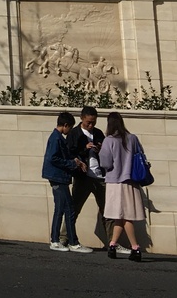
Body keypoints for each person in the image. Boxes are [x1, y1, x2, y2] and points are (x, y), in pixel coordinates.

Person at [63, 106, 114, 248]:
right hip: (83, 177)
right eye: (88, 122)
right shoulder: (74, 134)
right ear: (82, 119)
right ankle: (64, 237)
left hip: (99, 176)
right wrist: (84, 149)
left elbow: (107, 152)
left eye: (93, 122)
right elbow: (70, 154)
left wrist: (99, 149)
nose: (91, 125)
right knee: (74, 208)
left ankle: (112, 242)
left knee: (107, 210)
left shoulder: (98, 133)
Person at [98, 111, 147, 261]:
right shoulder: (132, 138)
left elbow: (105, 163)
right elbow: (141, 156)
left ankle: (135, 248)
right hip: (131, 182)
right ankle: (112, 245)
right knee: (121, 217)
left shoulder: (109, 140)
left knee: (123, 217)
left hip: (115, 182)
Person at [43, 111, 93, 253]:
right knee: (69, 209)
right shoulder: (56, 139)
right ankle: (71, 242)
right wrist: (72, 163)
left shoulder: (56, 138)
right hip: (58, 177)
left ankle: (56, 240)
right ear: (65, 125)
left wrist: (75, 161)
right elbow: (53, 158)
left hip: (59, 177)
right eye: (69, 128)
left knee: (61, 209)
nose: (70, 131)